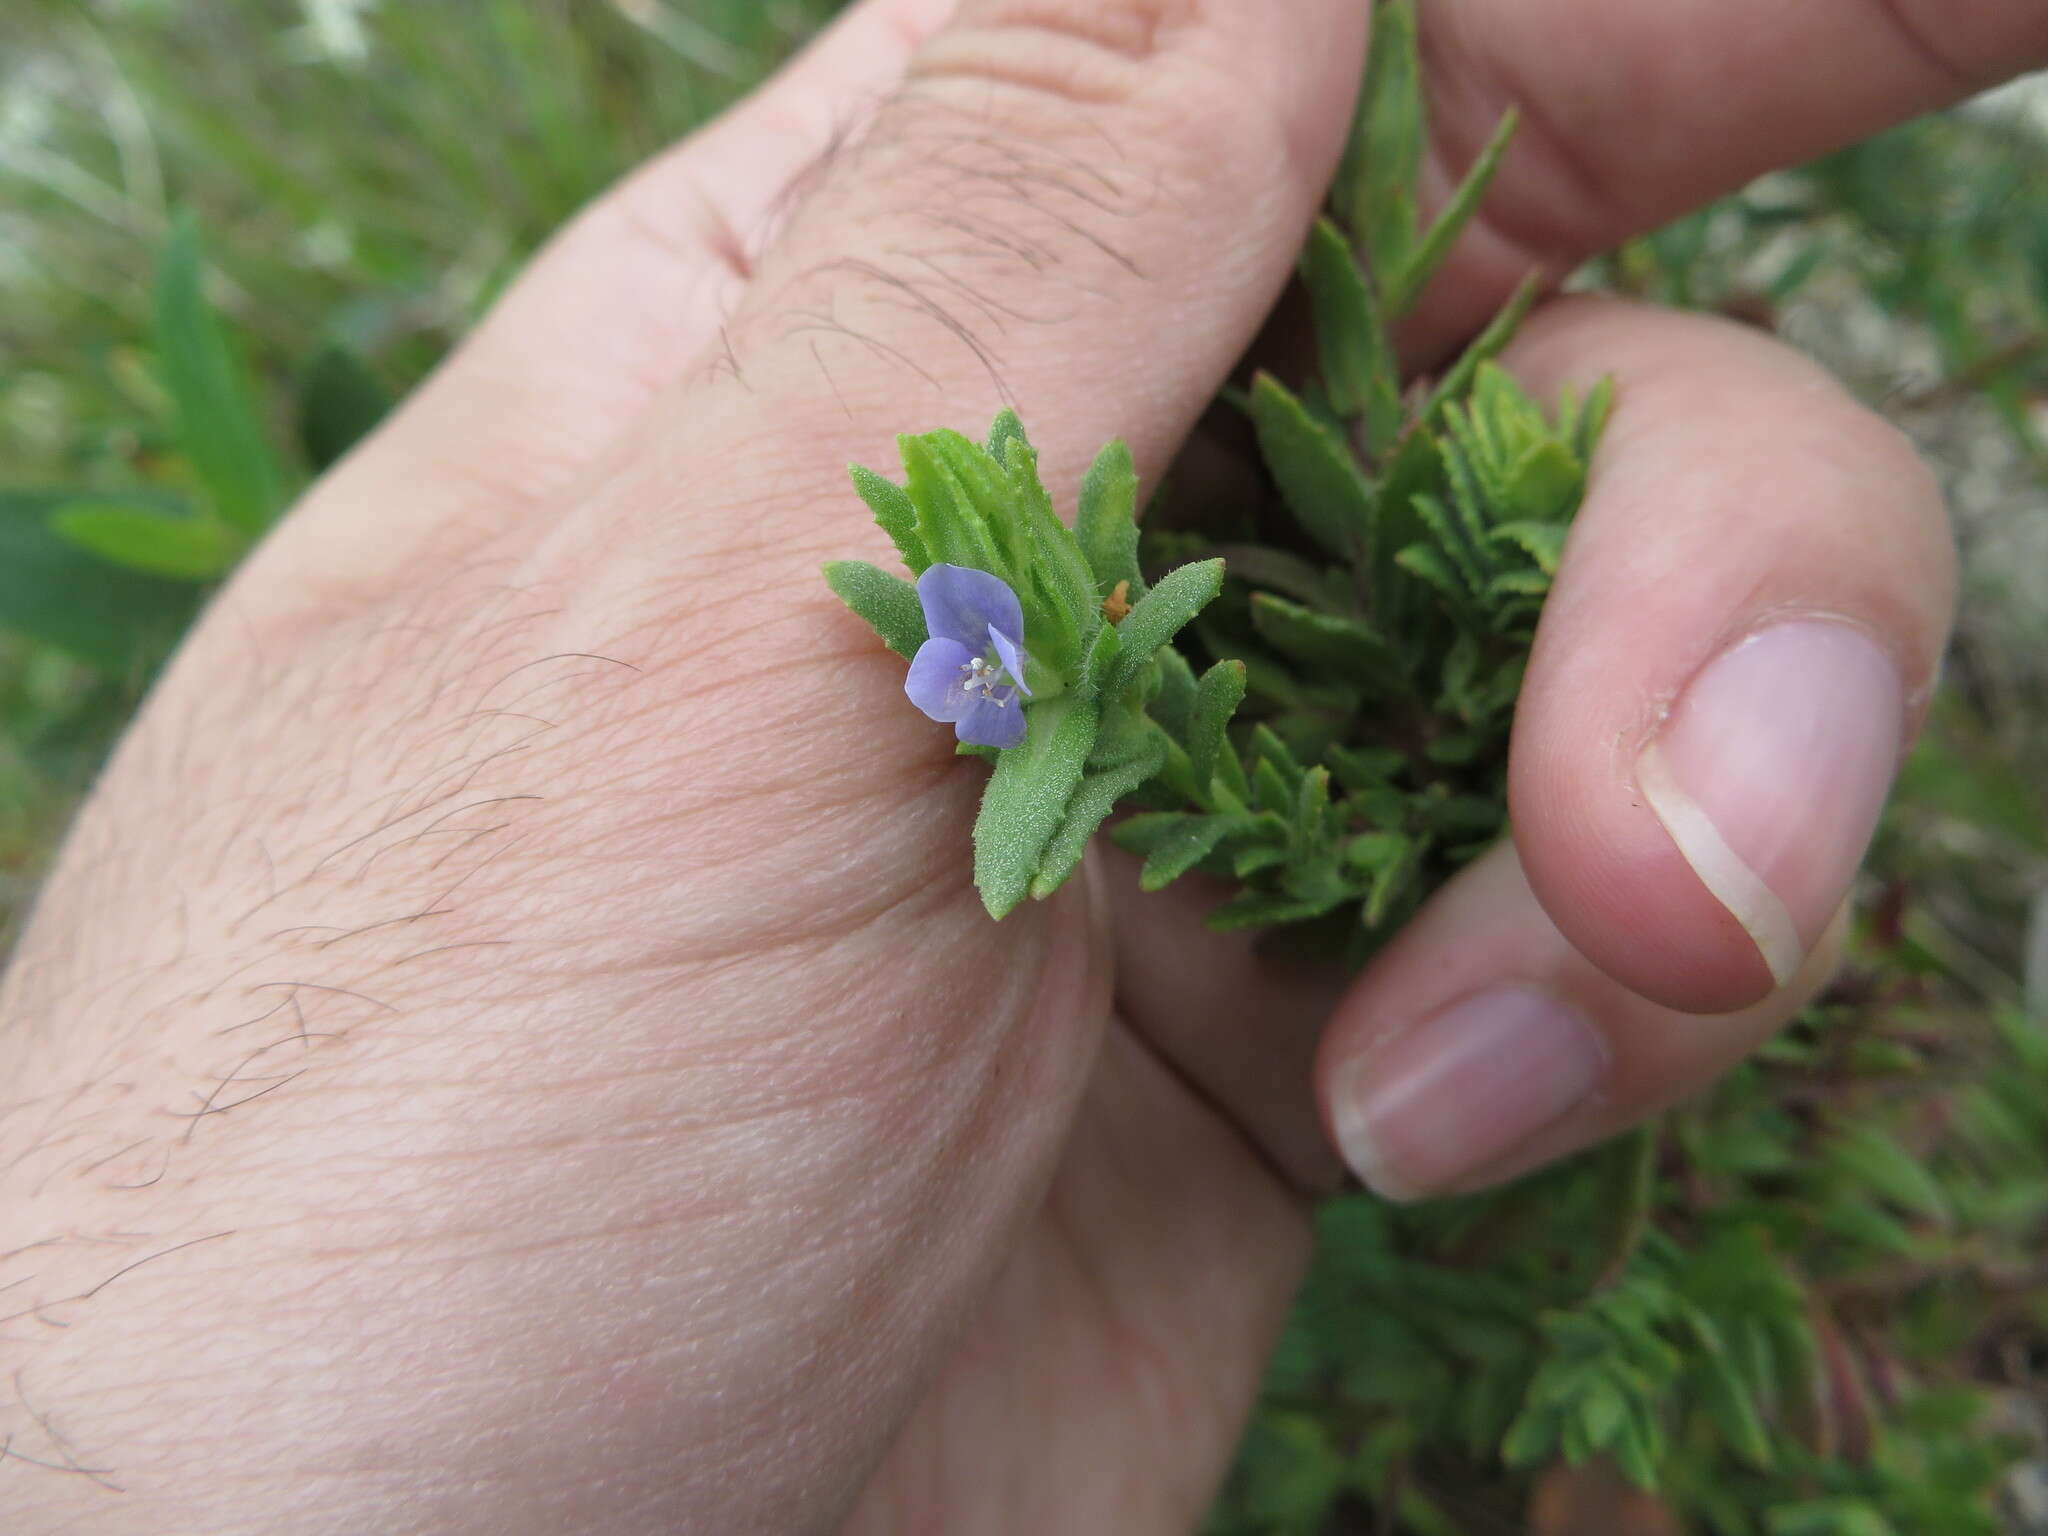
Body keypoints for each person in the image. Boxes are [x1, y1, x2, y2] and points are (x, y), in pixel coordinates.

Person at [2, 1, 2041, 1529]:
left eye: (991, 660)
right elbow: (985, 680)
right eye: (978, 662)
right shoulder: (1009, 696)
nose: (970, 678)